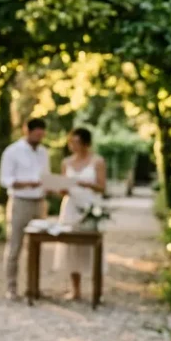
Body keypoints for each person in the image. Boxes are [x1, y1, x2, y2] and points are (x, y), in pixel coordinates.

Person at [0, 118, 51, 300]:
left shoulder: (44, 152)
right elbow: (4, 179)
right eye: (36, 134)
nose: (39, 138)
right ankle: (11, 288)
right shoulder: (12, 151)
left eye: (41, 135)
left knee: (36, 247)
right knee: (15, 245)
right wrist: (27, 183)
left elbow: (46, 176)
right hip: (20, 201)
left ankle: (33, 287)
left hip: (40, 202)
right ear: (27, 131)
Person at [54, 127, 107, 300]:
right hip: (70, 207)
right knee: (71, 248)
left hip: (90, 206)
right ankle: (75, 289)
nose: (73, 146)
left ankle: (97, 290)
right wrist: (61, 189)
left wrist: (86, 184)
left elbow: (102, 187)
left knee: (92, 247)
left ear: (85, 143)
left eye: (76, 142)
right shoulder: (66, 162)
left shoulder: (97, 161)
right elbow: (63, 187)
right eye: (71, 142)